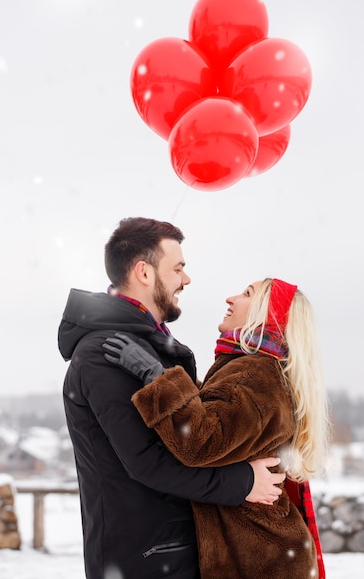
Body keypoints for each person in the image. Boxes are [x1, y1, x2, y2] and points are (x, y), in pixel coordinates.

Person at [58, 217, 286, 579]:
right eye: (178, 268)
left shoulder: (147, 346)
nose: (186, 279)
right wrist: (243, 483)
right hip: (146, 558)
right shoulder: (109, 351)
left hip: (170, 551)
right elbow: (149, 461)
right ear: (144, 273)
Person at [103, 277, 331, 579]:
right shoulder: (250, 368)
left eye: (247, 294)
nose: (230, 299)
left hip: (263, 565)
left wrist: (156, 376)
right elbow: (222, 421)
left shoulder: (256, 373)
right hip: (262, 559)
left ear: (267, 315)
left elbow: (201, 441)